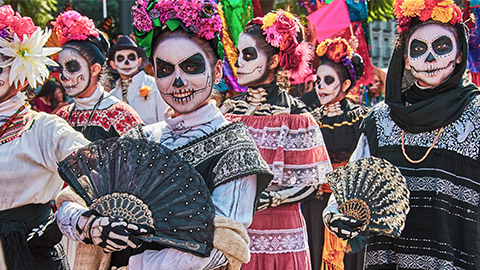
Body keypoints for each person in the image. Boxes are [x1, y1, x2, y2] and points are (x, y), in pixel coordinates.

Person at [56, 0, 273, 269]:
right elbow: (72, 201)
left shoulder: (235, 148)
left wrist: (136, 266)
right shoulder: (141, 138)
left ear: (217, 71)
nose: (178, 81)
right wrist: (90, 225)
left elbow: (223, 246)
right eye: (166, 70)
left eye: (191, 67)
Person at [323, 0, 480, 269]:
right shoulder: (380, 119)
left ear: (458, 54)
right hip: (390, 260)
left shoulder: (476, 115)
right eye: (418, 49)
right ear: (406, 60)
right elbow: (349, 186)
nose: (430, 58)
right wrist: (338, 217)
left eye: (441, 47)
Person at [221, 11, 333, 270]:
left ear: (273, 61)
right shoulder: (228, 111)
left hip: (280, 229)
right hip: (234, 226)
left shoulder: (296, 116)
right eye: (238, 54)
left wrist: (273, 199)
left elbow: (312, 184)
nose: (238, 63)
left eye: (248, 55)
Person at [0, 5, 88, 269]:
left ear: (22, 77)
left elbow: (97, 167)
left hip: (30, 253)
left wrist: (72, 213)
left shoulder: (44, 129)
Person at [302, 37, 368, 270]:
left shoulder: (362, 119)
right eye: (318, 80)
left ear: (347, 84)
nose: (320, 87)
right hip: (315, 205)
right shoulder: (309, 121)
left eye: (328, 81)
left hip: (351, 206)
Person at [53, 10, 143, 142]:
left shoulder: (120, 115)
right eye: (61, 68)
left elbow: (141, 159)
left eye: (72, 67)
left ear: (94, 69)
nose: (63, 76)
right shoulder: (62, 116)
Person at [108, 35, 168, 124]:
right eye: (120, 58)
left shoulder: (155, 85)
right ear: (113, 64)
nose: (127, 63)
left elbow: (165, 120)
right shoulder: (112, 95)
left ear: (139, 61)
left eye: (131, 57)